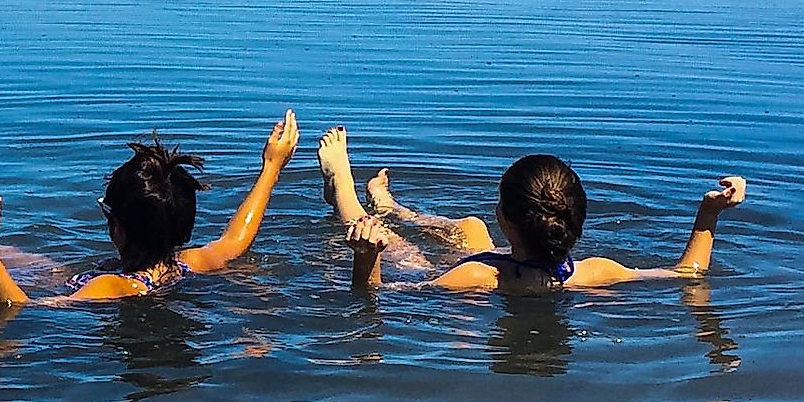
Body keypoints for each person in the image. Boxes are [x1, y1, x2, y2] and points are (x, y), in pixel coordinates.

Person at [315, 126, 745, 292]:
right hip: (519, 259)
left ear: (507, 219)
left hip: (445, 271)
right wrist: (708, 215)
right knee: (469, 226)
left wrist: (366, 258)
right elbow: (687, 274)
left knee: (387, 240)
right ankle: (393, 205)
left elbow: (377, 296)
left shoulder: (475, 276)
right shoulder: (597, 272)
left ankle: (346, 194)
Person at [0, 112, 301, 308]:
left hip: (82, 287)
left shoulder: (111, 287)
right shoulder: (187, 265)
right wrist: (271, 167)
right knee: (37, 265)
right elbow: (236, 239)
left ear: (117, 228)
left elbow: (25, 313)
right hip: (90, 275)